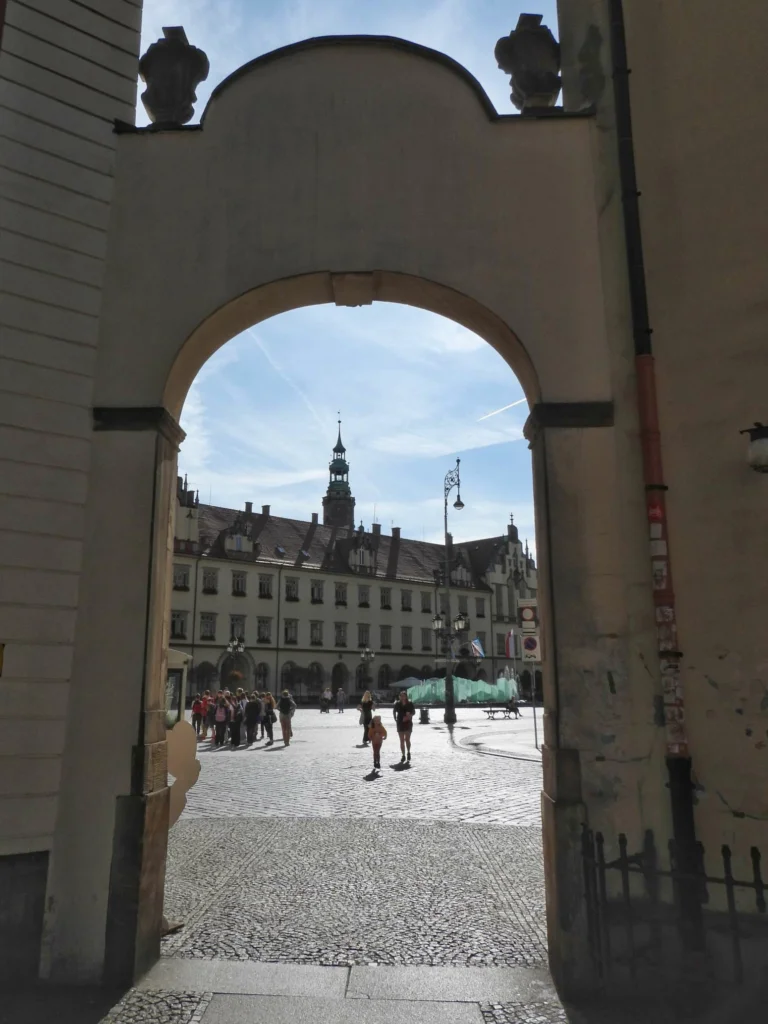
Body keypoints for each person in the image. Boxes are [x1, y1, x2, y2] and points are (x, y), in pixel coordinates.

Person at [393, 689, 416, 763]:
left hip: (408, 722)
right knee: (401, 740)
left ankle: (408, 752)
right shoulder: (397, 704)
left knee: (407, 739)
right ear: (399, 697)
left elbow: (414, 712)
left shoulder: (410, 703)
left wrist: (410, 716)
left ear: (406, 696)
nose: (402, 697)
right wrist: (395, 719)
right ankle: (403, 755)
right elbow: (394, 711)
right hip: (400, 722)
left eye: (404, 696)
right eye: (401, 696)